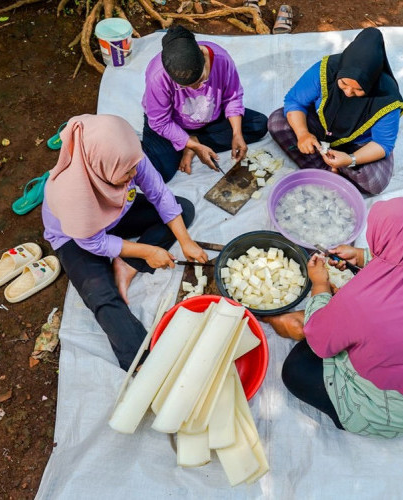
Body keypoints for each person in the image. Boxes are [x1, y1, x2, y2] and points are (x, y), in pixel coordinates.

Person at [264, 198, 403, 437]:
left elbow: (320, 341)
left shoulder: (360, 301)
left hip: (388, 414)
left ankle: (355, 415)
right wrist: (360, 256)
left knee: (296, 369)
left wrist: (320, 284)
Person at [42, 114, 208, 371]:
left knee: (181, 210)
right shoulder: (72, 194)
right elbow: (93, 243)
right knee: (101, 296)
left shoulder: (127, 157)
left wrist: (185, 241)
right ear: (101, 169)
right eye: (126, 172)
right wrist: (147, 250)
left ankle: (126, 265)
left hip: (116, 214)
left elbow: (158, 192)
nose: (134, 175)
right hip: (78, 237)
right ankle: (143, 362)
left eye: (134, 167)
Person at [268, 27, 403, 195]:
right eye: (343, 84)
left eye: (358, 90)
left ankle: (328, 168)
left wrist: (350, 160)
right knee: (276, 122)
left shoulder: (387, 98)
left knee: (374, 182)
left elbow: (382, 144)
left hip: (358, 145)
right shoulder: (326, 70)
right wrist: (303, 133)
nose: (348, 93)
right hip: (321, 128)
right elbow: (295, 101)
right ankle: (329, 170)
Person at [141, 25, 268, 182]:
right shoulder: (157, 76)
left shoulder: (222, 60)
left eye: (201, 80)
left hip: (209, 118)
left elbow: (232, 97)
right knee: (158, 171)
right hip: (171, 124)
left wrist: (236, 133)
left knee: (259, 124)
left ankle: (194, 141)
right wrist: (191, 145)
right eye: (186, 87)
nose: (197, 88)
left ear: (203, 57)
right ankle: (188, 142)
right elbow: (160, 121)